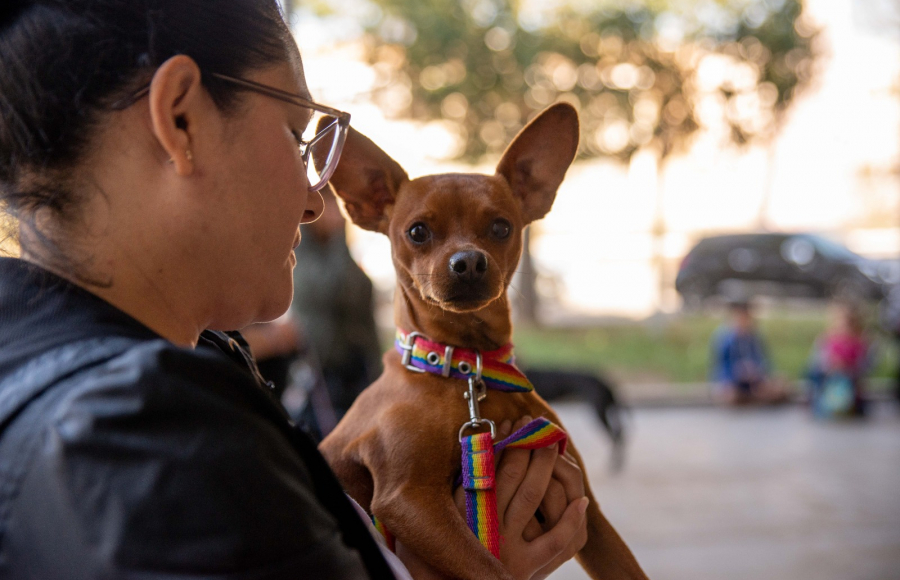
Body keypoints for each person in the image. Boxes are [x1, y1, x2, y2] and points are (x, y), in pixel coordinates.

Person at [0, 2, 589, 579]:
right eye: (295, 135)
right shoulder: (150, 445)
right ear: (181, 118)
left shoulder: (119, 378)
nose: (314, 201)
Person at [291, 187, 383, 439]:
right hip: (319, 370)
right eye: (330, 207)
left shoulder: (342, 253)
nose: (338, 216)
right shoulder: (298, 256)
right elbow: (328, 289)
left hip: (357, 367)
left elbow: (361, 300)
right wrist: (337, 244)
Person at [710, 299, 788, 405]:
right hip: (732, 380)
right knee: (731, 394)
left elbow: (764, 361)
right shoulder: (724, 338)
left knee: (778, 385)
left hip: (754, 380)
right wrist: (737, 372)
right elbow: (720, 366)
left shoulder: (754, 337)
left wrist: (757, 371)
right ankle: (748, 396)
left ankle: (754, 396)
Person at [806, 301, 872, 417]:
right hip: (828, 375)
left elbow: (864, 364)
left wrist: (849, 367)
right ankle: (820, 404)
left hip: (850, 376)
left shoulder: (859, 343)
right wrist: (831, 365)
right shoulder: (826, 340)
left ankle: (850, 405)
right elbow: (817, 362)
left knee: (851, 387)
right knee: (815, 377)